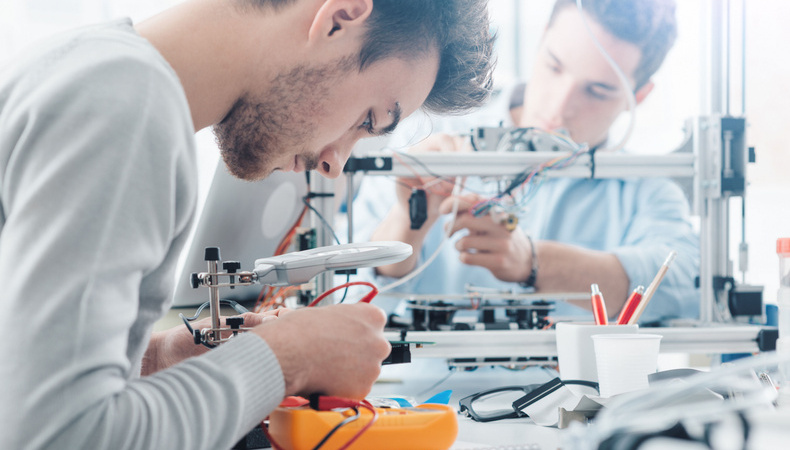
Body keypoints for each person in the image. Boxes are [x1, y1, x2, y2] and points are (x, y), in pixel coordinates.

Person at [0, 0, 495, 448]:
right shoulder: (127, 107)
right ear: (337, 19)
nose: (335, 163)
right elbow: (59, 437)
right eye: (368, 120)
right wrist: (282, 359)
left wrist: (152, 362)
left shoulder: (88, 66)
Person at [350, 0, 699, 324]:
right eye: (554, 66)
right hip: (428, 393)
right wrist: (409, 220)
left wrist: (533, 262)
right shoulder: (430, 138)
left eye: (597, 90)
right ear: (541, 41)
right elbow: (344, 296)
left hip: (585, 394)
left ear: (638, 97)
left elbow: (685, 287)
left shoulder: (645, 188)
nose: (559, 106)